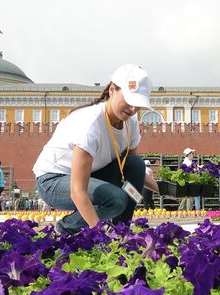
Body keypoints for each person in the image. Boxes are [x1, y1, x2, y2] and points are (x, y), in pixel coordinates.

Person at [33, 64, 157, 234]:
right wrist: (98, 234)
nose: (133, 109)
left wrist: (167, 190)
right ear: (112, 89)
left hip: (92, 175)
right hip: (54, 180)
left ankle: (121, 231)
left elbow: (131, 172)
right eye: (129, 101)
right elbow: (78, 191)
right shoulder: (90, 124)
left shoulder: (131, 124)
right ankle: (65, 228)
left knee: (135, 164)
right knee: (115, 199)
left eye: (138, 104)